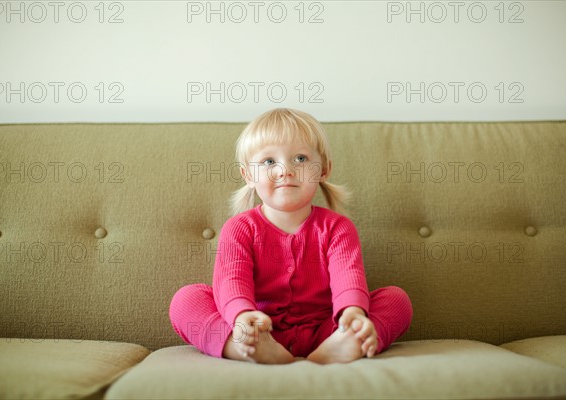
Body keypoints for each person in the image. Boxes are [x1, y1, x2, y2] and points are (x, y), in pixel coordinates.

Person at [169, 108, 412, 364]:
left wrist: (353, 313)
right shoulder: (239, 228)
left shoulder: (338, 227)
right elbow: (231, 280)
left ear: (324, 170)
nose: (285, 170)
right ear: (248, 175)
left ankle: (347, 341)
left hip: (326, 331)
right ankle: (240, 344)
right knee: (186, 299)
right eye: (269, 161)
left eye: (300, 158)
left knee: (397, 300)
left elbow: (348, 277)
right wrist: (242, 316)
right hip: (260, 329)